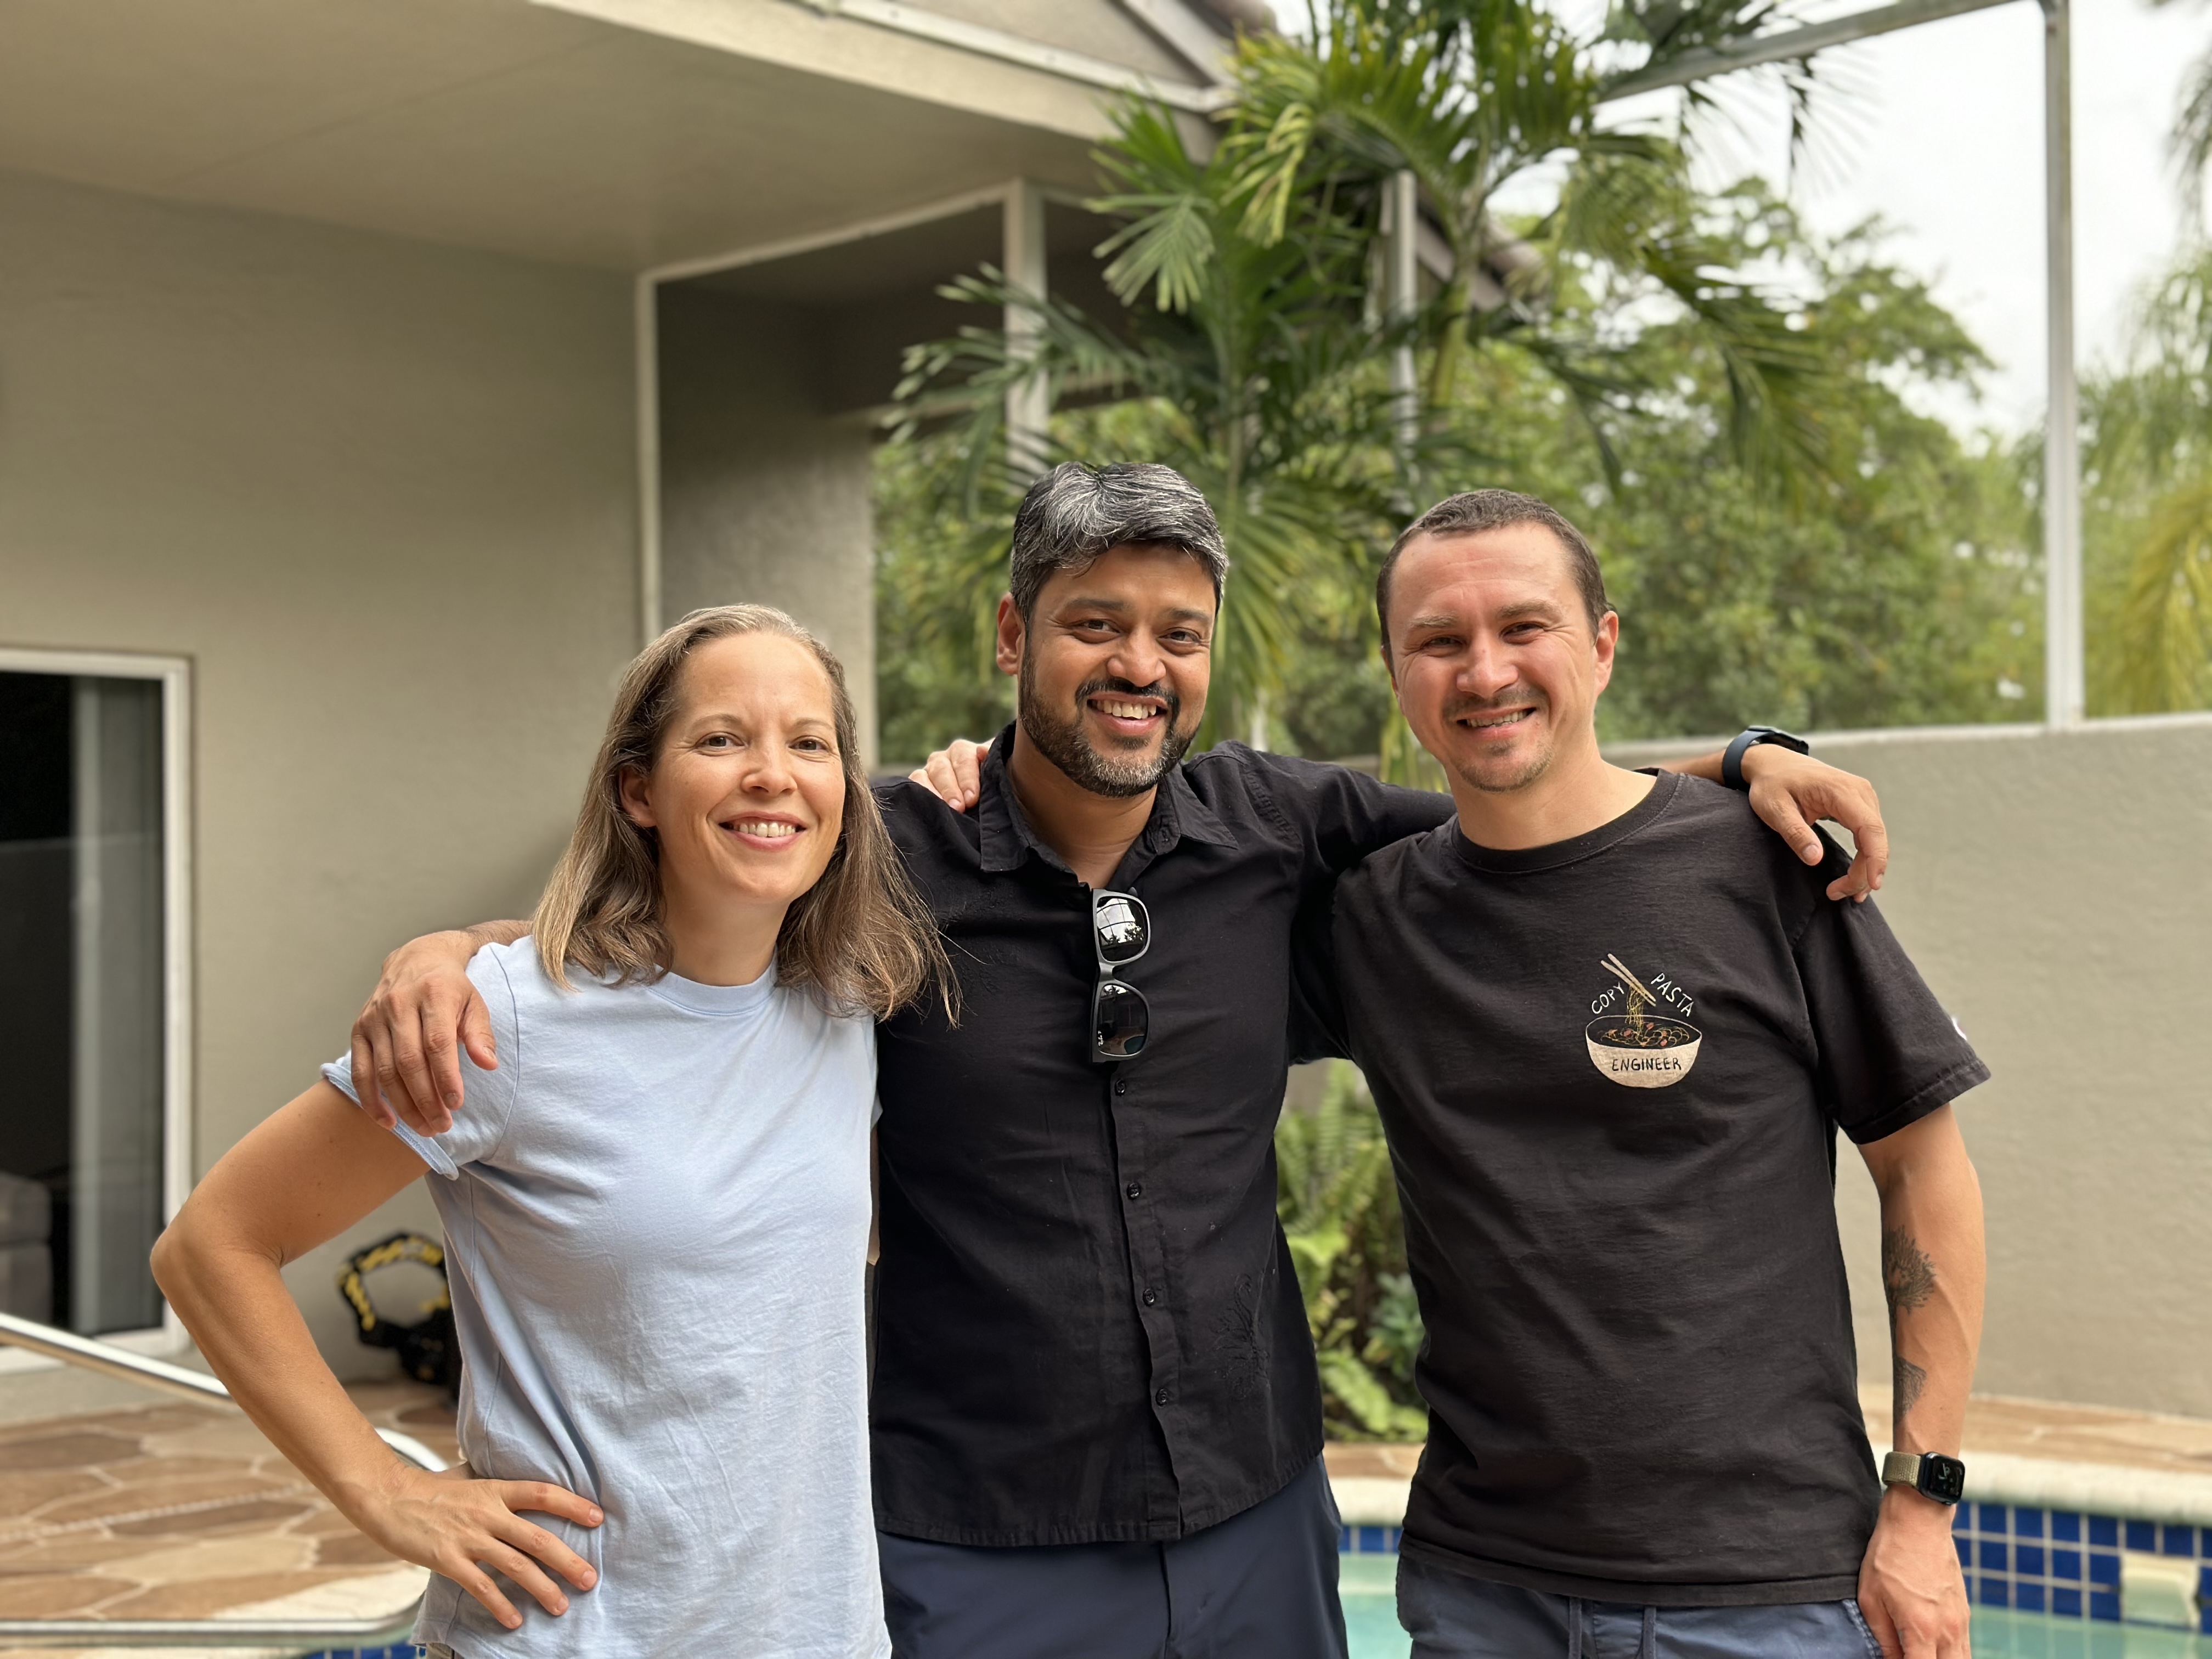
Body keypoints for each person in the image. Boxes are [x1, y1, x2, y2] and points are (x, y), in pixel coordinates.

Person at [351, 464, 1895, 1659]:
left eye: (1178, 634)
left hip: (1257, 1516)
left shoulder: (1285, 828)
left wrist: (1745, 762)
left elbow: (1539, 798)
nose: (1137, 664)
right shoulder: (885, 854)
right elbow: (687, 898)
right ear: (1016, 637)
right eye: (1095, 623)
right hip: (980, 1540)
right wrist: (461, 958)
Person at [153, 605, 945, 1659]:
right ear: (638, 790)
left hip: (817, 1633)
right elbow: (213, 1245)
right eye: (720, 739)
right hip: (581, 1635)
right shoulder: (508, 1020)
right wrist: (387, 1493)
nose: (772, 773)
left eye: (810, 743)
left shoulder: (844, 1002)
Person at [1315, 489, 1986, 1658]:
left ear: (1605, 645)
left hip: (1768, 1587)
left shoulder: (1763, 869)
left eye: (1526, 628)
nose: (1484, 672)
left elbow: (1923, 1170)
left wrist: (1922, 1502)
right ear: (1395, 670)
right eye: (1439, 641)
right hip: (1485, 1592)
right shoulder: (1374, 919)